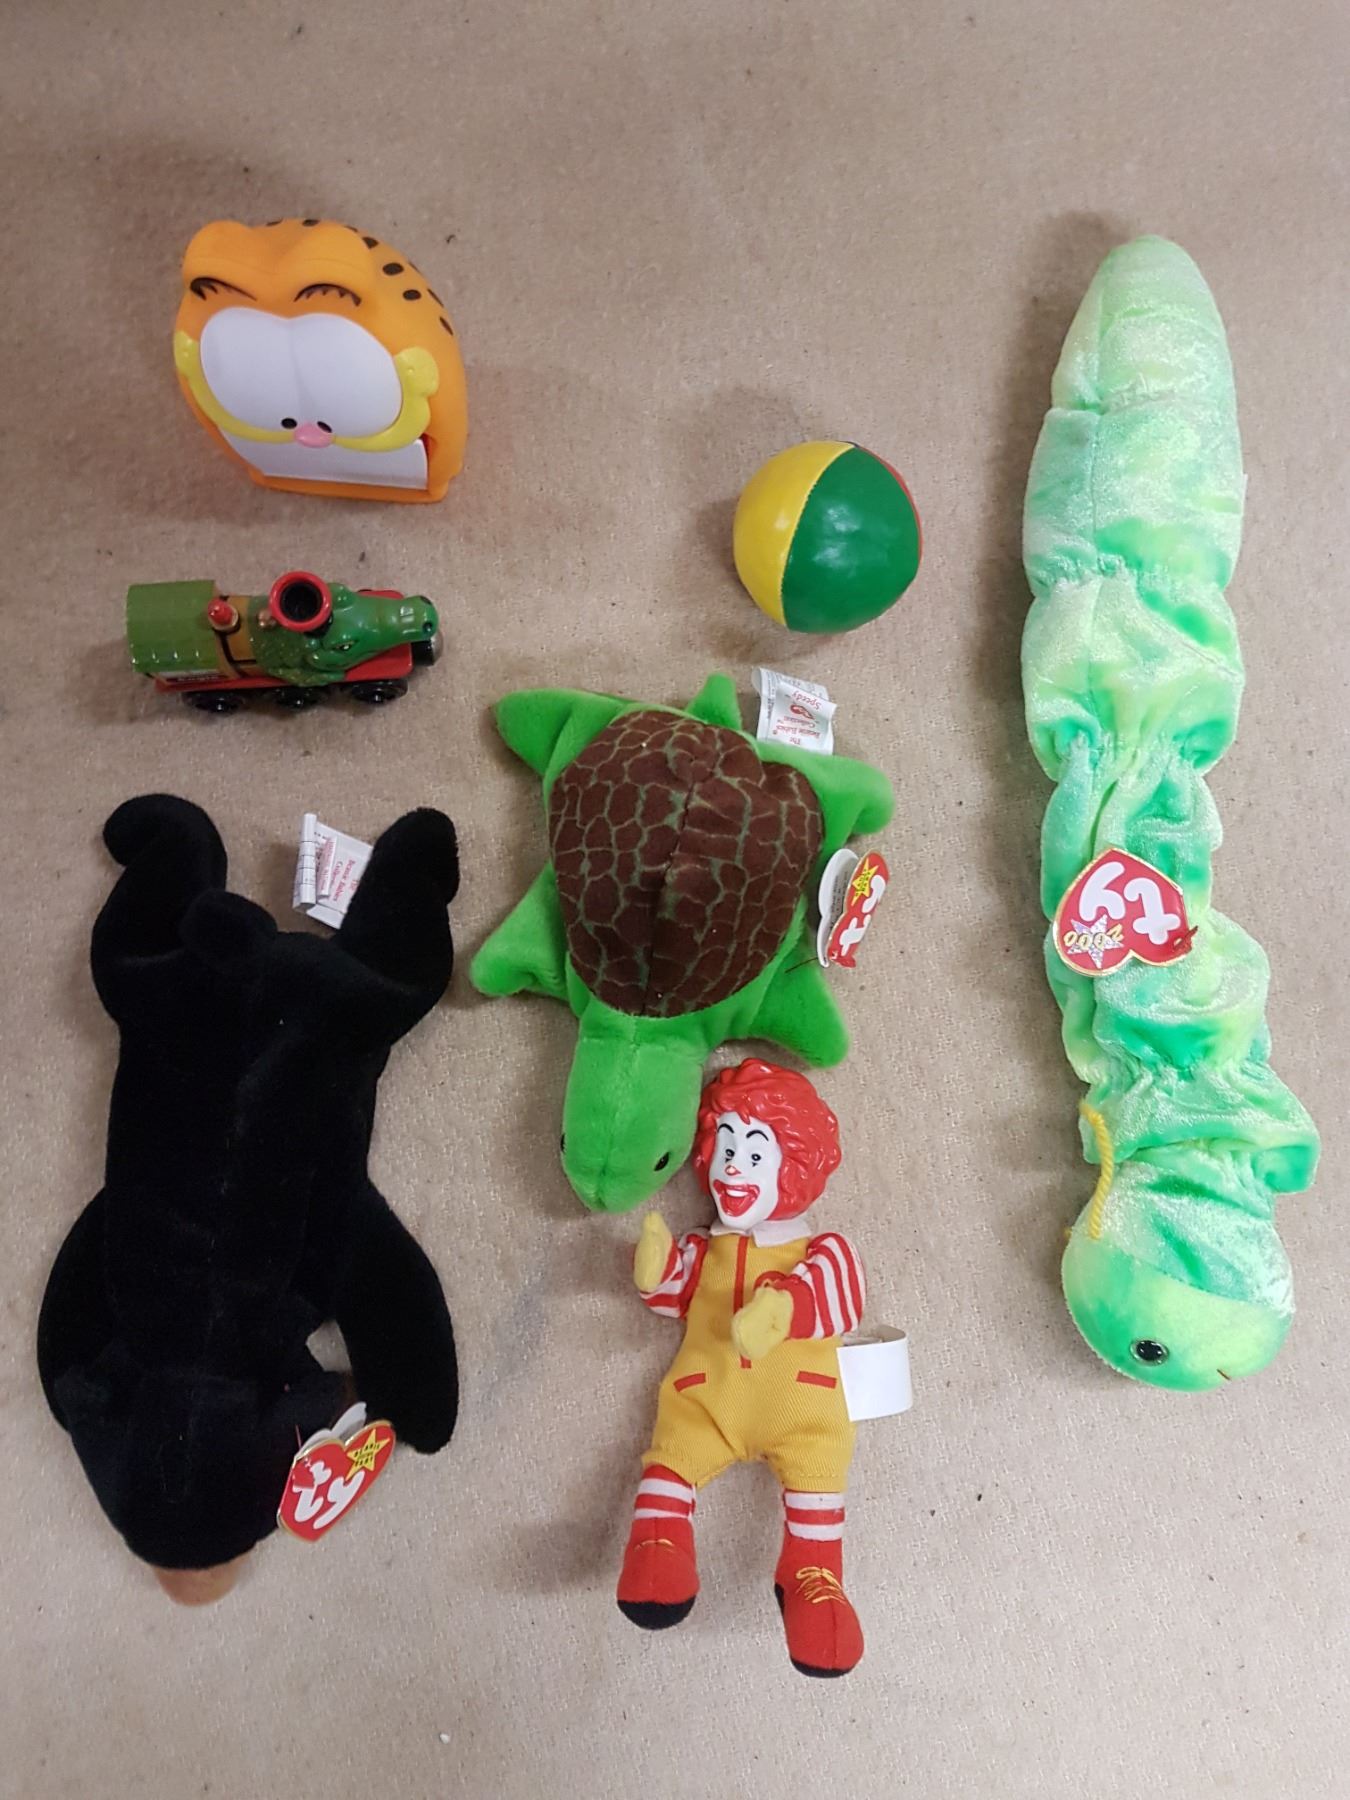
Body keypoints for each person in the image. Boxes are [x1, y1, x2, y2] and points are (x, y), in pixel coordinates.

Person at [616, 1059, 867, 1677]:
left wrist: (785, 1307)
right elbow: (677, 1295)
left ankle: (812, 1576)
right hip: (707, 1398)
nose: (733, 1167)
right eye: (726, 1149)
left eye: (755, 1155)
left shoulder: (820, 1249)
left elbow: (842, 1295)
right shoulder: (707, 1248)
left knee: (818, 1479)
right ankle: (659, 1541)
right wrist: (657, 1269)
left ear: (796, 1165)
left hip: (804, 1410)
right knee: (671, 1456)